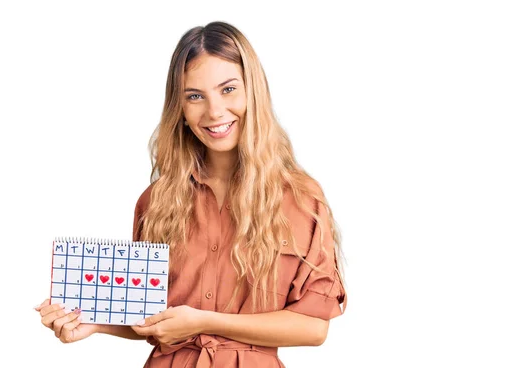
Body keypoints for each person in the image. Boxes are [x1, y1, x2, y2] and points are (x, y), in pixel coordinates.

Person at [35, 21, 347, 368]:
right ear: (180, 109)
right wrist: (93, 323)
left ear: (252, 92)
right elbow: (149, 315)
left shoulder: (300, 198)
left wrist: (206, 321)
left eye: (228, 90)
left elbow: (314, 327)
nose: (214, 112)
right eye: (195, 96)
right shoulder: (156, 201)